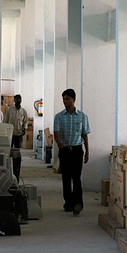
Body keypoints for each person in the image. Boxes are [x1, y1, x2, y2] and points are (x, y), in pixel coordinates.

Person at [53, 88, 90, 216]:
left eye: (67, 99)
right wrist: (59, 143)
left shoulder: (82, 116)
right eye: (63, 99)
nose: (65, 101)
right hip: (64, 151)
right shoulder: (58, 117)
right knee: (66, 178)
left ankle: (78, 204)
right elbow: (56, 133)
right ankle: (68, 202)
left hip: (77, 151)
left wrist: (87, 151)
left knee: (77, 178)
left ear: (74, 100)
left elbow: (84, 135)